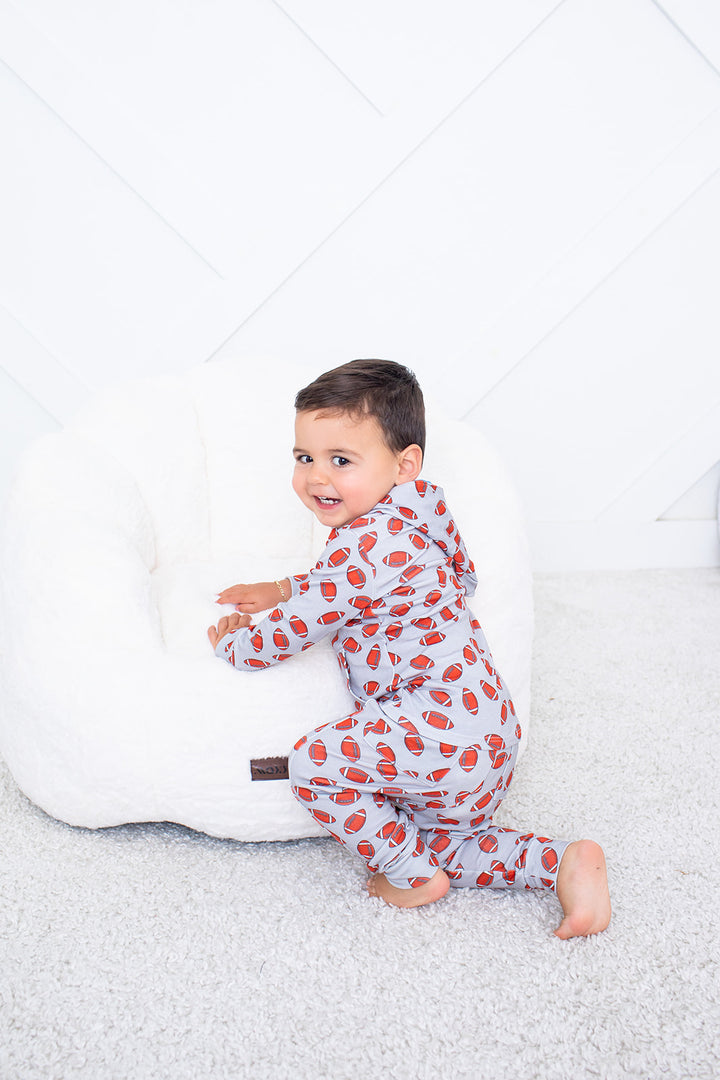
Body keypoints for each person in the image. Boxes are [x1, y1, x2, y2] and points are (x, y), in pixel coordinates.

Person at [207, 359, 611, 938]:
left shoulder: (361, 549)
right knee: (451, 841)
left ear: (404, 463)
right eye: (304, 458)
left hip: (434, 728)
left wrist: (235, 644)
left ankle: (411, 872)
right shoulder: (422, 512)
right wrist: (289, 586)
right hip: (489, 732)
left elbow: (290, 632)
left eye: (340, 461)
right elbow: (431, 580)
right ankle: (560, 862)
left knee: (314, 766)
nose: (317, 478)